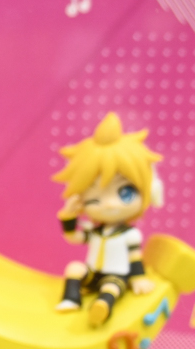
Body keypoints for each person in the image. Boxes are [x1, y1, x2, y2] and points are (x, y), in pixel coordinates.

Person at [54, 112, 163, 326]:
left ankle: (103, 307)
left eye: (125, 192)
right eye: (94, 196)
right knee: (74, 268)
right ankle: (71, 299)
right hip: (92, 274)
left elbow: (135, 257)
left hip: (116, 276)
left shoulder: (130, 234)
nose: (110, 204)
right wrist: (68, 216)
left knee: (110, 288)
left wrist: (138, 278)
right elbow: (73, 237)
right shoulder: (95, 231)